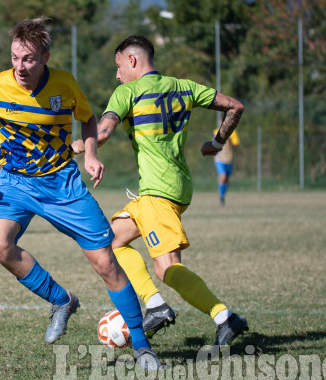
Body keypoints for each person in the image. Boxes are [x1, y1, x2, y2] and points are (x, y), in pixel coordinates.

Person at [0, 17, 161, 370]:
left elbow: (87, 118)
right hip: (16, 183)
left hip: (62, 183)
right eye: (15, 58)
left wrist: (92, 155)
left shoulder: (65, 84)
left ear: (45, 57)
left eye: (28, 59)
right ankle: (61, 300)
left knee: (105, 262)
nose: (20, 67)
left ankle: (143, 347)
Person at [74, 35, 248, 351]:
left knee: (166, 268)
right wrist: (218, 143)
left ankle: (213, 315)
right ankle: (192, 312)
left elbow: (101, 133)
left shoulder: (127, 92)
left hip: (158, 192)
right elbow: (235, 106)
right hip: (174, 187)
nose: (116, 75)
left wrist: (71, 147)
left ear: (132, 60)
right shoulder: (185, 86)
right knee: (109, 242)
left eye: (117, 66)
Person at [214, 127, 239, 206]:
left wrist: (230, 141)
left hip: (229, 158)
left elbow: (236, 145)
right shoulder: (216, 132)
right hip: (219, 158)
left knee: (227, 180)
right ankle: (221, 197)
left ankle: (223, 195)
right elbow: (213, 143)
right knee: (223, 176)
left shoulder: (232, 133)